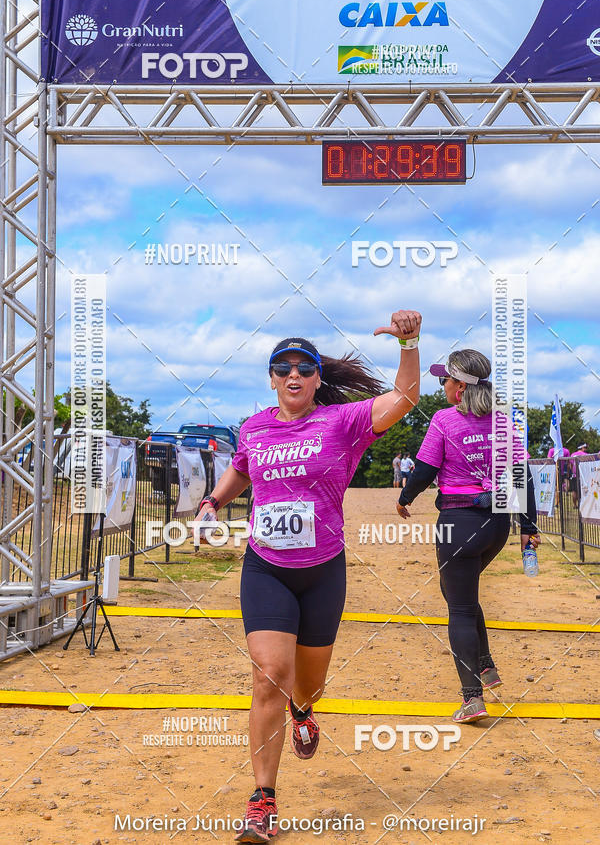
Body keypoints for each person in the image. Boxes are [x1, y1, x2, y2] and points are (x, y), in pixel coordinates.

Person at [194, 311, 422, 843]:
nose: (293, 375)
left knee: (308, 683)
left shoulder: (343, 423)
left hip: (322, 572)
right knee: (269, 674)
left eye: (304, 367)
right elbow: (242, 468)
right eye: (283, 368)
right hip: (266, 568)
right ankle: (263, 799)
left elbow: (406, 398)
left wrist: (409, 342)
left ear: (318, 378)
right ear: (271, 378)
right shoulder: (254, 427)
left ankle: (304, 709)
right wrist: (211, 502)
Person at [396, 349, 539, 723]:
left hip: (457, 522)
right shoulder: (504, 422)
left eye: (446, 379)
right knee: (461, 594)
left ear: (460, 387)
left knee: (458, 606)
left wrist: (405, 497)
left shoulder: (444, 420)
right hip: (496, 525)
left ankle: (472, 698)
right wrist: (529, 527)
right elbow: (523, 476)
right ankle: (487, 667)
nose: (442, 385)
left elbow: (425, 471)